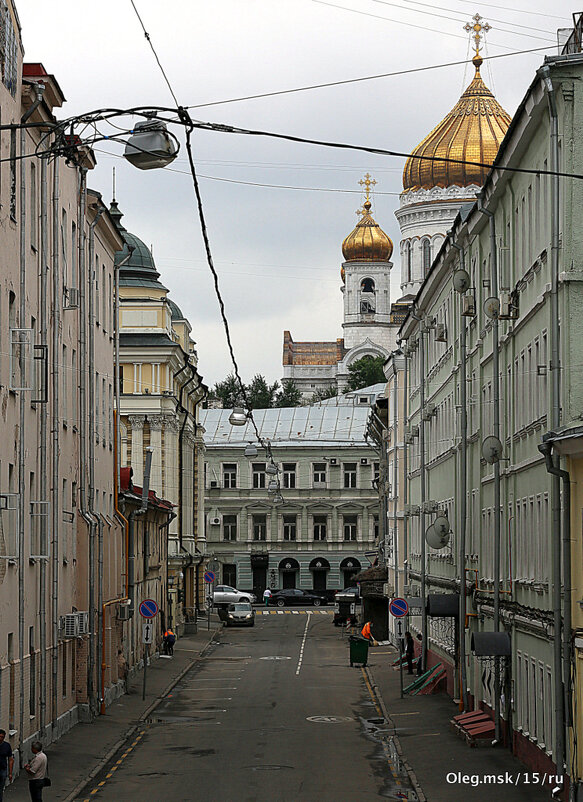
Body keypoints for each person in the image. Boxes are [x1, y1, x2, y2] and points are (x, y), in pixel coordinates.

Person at [0, 730, 13, 801]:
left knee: (1, 787)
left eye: (2, 737)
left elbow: (10, 759)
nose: (0, 738)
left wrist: (10, 773)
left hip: (2, 769)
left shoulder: (7, 746)